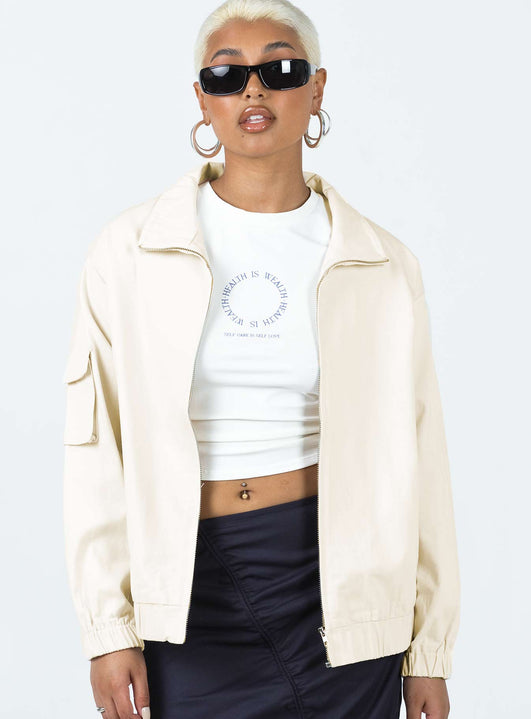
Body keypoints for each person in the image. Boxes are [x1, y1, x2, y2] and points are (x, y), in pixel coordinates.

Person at [62, 1, 460, 717]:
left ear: (316, 88)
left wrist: (428, 650)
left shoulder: (381, 264)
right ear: (201, 99)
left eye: (280, 70)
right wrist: (107, 628)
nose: (253, 89)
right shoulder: (129, 254)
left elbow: (421, 459)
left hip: (340, 589)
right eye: (227, 74)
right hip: (189, 585)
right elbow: (95, 451)